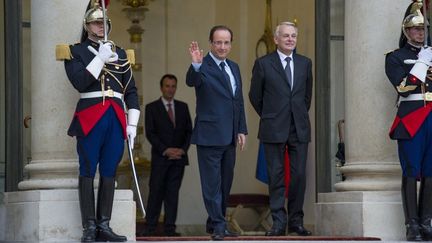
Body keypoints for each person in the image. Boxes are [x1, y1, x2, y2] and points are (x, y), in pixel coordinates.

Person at [61, 1, 140, 242]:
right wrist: (100, 59)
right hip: (90, 116)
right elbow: (80, 82)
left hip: (115, 117)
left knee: (109, 171)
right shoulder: (75, 52)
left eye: (104, 22)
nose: (101, 26)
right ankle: (89, 227)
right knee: (87, 170)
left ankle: (104, 225)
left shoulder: (122, 53)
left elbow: (131, 91)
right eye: (96, 22)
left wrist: (133, 124)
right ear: (87, 26)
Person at [249, 21, 313, 236]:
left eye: (293, 36)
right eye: (285, 36)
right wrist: (271, 115)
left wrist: (297, 114)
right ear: (276, 39)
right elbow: (255, 96)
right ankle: (278, 221)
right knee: (276, 175)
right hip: (273, 127)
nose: (290, 39)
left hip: (299, 127)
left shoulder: (305, 63)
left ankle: (296, 221)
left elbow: (306, 97)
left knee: (299, 176)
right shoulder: (263, 64)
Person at [186, 25, 247, 241]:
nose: (222, 46)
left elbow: (237, 100)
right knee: (212, 184)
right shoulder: (203, 65)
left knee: (225, 182)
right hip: (209, 134)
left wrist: (241, 128)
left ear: (231, 44)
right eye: (218, 42)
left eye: (226, 42)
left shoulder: (234, 67)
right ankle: (220, 224)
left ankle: (215, 222)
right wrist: (195, 64)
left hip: (230, 135)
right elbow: (192, 81)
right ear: (211, 43)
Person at [385, 1, 432, 241]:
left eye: (423, 28)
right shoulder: (395, 58)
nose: (420, 32)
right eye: (415, 29)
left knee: (430, 171)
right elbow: (403, 88)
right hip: (412, 118)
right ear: (406, 31)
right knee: (412, 170)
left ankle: (426, 222)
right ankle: (411, 224)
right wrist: (422, 63)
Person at [141, 74, 192, 237]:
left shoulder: (183, 107)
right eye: (167, 86)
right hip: (160, 159)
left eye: (173, 86)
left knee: (172, 194)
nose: (170, 89)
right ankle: (150, 228)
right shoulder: (151, 107)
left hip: (178, 160)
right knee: (155, 193)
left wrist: (182, 150)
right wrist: (166, 150)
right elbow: (151, 133)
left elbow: (189, 132)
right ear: (161, 87)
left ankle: (170, 229)